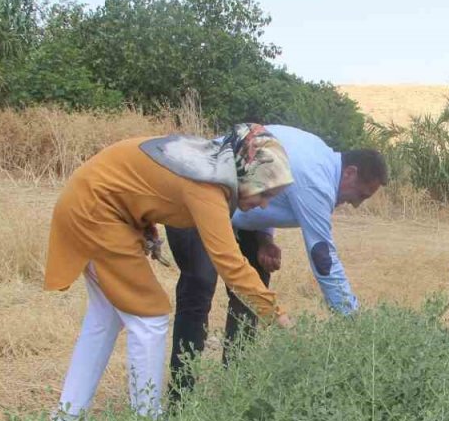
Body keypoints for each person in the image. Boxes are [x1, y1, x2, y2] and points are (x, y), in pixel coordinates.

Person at [45, 125, 295, 421]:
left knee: (105, 319)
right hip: (94, 213)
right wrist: (277, 315)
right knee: (149, 319)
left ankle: (66, 420)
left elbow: (142, 182)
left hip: (90, 205)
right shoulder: (207, 184)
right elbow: (230, 263)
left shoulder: (211, 168)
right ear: (246, 169)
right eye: (265, 192)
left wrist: (144, 224)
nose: (265, 205)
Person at [165, 125, 387, 390]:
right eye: (361, 194)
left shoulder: (320, 159)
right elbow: (323, 259)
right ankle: (181, 393)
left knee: (254, 286)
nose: (356, 204)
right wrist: (355, 324)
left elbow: (265, 189)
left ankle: (235, 388)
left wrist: (264, 238)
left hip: (237, 206)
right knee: (199, 289)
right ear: (350, 172)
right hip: (195, 195)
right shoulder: (317, 179)